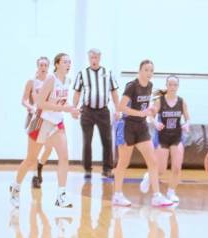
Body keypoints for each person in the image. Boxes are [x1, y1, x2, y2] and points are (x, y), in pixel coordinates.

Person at [10, 53, 79, 208]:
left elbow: (63, 102)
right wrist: (65, 108)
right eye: (65, 62)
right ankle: (15, 188)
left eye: (69, 62)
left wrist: (72, 110)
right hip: (41, 122)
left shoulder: (67, 80)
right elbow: (40, 103)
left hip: (57, 123)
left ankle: (61, 195)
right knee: (30, 160)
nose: (68, 64)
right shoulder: (50, 80)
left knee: (64, 156)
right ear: (57, 64)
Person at [112, 59, 174, 208]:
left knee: (153, 161)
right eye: (146, 70)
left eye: (151, 70)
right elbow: (121, 107)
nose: (149, 73)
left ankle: (156, 196)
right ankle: (117, 195)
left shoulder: (150, 86)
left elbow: (145, 106)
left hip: (141, 127)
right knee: (123, 162)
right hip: (127, 126)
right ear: (140, 71)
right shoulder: (131, 86)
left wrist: (150, 109)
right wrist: (141, 113)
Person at [139, 75, 191, 206]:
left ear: (178, 87)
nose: (172, 87)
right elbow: (150, 116)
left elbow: (188, 119)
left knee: (177, 168)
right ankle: (148, 177)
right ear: (166, 86)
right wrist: (156, 123)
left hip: (176, 137)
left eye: (175, 85)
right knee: (160, 170)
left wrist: (186, 124)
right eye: (170, 84)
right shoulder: (160, 101)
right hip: (162, 137)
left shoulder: (182, 102)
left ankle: (171, 192)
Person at [72, 48, 120, 179]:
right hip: (87, 111)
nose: (94, 60)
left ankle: (107, 169)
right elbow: (77, 92)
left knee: (107, 140)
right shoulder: (82, 73)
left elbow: (114, 92)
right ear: (89, 58)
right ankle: (87, 169)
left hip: (103, 111)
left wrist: (118, 109)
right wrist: (73, 108)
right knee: (87, 141)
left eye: (96, 57)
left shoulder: (107, 73)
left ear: (100, 58)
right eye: (91, 57)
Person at [21, 56, 53, 189]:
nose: (43, 67)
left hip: (49, 119)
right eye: (41, 65)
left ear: (49, 67)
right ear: (37, 66)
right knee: (33, 152)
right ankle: (35, 176)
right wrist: (31, 107)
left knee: (49, 147)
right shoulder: (31, 82)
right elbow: (24, 100)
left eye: (45, 65)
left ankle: (40, 165)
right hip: (35, 119)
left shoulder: (51, 81)